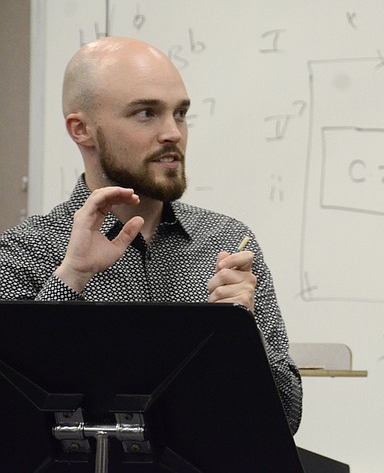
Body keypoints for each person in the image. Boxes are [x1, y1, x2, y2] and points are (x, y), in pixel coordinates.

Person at [0, 36, 302, 433]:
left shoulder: (227, 242)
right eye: (146, 113)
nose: (173, 133)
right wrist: (71, 277)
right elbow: (11, 417)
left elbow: (287, 417)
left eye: (180, 113)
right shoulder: (26, 249)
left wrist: (243, 333)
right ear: (81, 130)